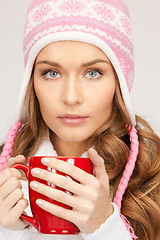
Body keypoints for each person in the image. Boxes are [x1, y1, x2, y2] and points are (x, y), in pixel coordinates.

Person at [0, 0, 159, 239]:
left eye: (93, 72)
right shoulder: (5, 176)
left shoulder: (153, 176)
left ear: (120, 83)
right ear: (31, 83)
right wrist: (8, 231)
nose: (71, 97)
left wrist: (105, 227)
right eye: (51, 73)